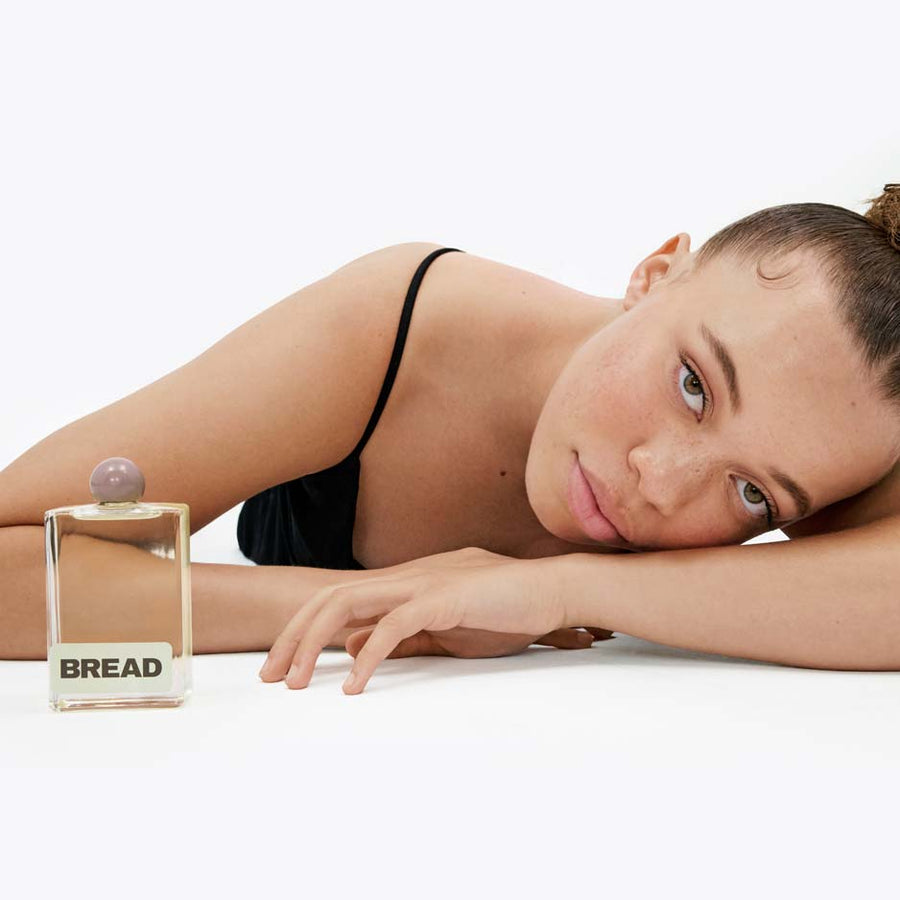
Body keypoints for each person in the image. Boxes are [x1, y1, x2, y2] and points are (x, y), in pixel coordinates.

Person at [3, 187, 900, 689]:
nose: (659, 483)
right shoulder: (396, 326)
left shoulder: (837, 441)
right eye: (694, 384)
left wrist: (551, 590)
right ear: (655, 273)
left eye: (754, 496)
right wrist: (389, 607)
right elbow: (14, 552)